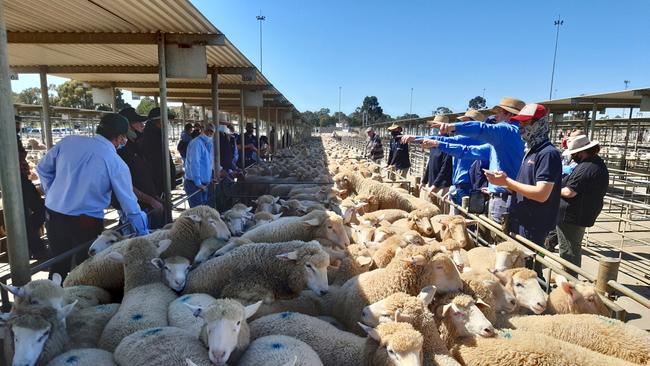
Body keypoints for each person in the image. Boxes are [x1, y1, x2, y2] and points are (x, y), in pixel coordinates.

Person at [37, 114, 148, 279]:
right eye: (124, 137)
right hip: (85, 220)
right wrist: (143, 233)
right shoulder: (115, 162)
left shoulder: (69, 142)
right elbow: (129, 203)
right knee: (87, 265)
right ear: (119, 138)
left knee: (59, 261)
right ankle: (81, 298)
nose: (124, 141)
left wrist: (52, 191)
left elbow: (42, 168)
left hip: (54, 215)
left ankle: (53, 296)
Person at [424, 97, 526, 225]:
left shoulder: (506, 131)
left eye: (499, 112)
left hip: (495, 195)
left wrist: (452, 127)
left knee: (489, 233)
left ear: (509, 114)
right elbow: (467, 151)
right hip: (495, 194)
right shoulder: (502, 141)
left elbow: (478, 132)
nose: (496, 116)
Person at [484, 104, 562, 246]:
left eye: (526, 122)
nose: (521, 126)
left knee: (528, 266)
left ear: (540, 124)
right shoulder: (531, 151)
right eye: (520, 122)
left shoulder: (548, 153)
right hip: (522, 221)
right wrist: (501, 182)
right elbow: (525, 187)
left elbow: (542, 193)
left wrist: (507, 181)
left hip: (533, 225)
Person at [556, 135, 608, 276]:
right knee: (570, 246)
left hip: (572, 215)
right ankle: (566, 276)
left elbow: (569, 192)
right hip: (579, 213)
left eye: (574, 154)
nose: (572, 157)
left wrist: (552, 190)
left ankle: (570, 280)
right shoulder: (595, 164)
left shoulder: (586, 168)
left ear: (581, 152)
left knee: (569, 250)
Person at [117, 107, 164, 228]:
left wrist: (155, 196)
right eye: (137, 122)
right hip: (135, 210)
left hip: (148, 206)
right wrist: (151, 200)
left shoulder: (137, 146)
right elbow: (126, 185)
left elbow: (145, 176)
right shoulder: (121, 152)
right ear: (128, 127)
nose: (142, 125)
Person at [141, 107, 176, 200]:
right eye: (165, 120)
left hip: (160, 187)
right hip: (158, 189)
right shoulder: (151, 138)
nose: (167, 123)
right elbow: (155, 165)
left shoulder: (158, 136)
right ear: (157, 121)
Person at [419, 116, 452, 203]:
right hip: (432, 183)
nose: (433, 128)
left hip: (442, 185)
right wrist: (424, 181)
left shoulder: (448, 143)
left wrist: (436, 185)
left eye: (436, 126)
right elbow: (430, 163)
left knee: (439, 212)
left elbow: (446, 167)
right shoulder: (434, 142)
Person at [184, 123, 215, 207]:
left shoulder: (209, 144)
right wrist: (198, 183)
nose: (209, 133)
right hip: (194, 183)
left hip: (203, 184)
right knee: (197, 211)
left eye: (211, 132)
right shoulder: (196, 143)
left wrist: (209, 178)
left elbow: (208, 163)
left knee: (203, 210)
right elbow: (195, 163)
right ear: (202, 130)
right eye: (207, 131)